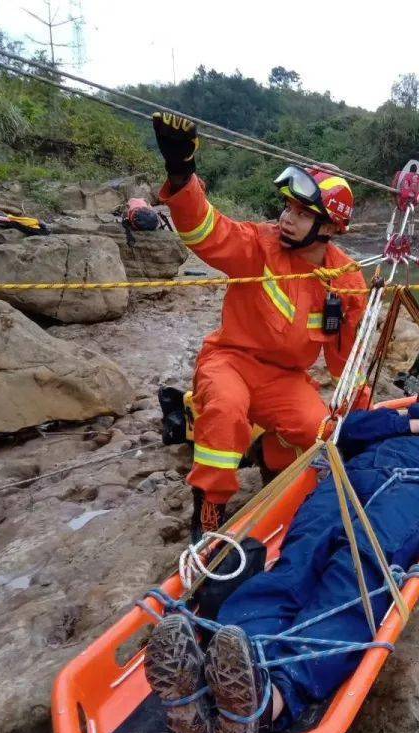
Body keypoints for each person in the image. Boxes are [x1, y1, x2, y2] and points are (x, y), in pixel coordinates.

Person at [144, 374, 419, 733]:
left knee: (358, 571)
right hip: (348, 479)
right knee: (297, 561)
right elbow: (347, 431)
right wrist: (418, 424)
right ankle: (222, 676)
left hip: (415, 486)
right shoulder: (399, 419)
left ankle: (272, 701)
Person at [151, 112, 368, 540]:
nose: (286, 218)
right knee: (225, 409)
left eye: (301, 213)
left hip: (284, 378)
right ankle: (209, 509)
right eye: (287, 207)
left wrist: (361, 424)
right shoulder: (258, 245)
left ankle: (271, 461)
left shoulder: (346, 281)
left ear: (329, 227)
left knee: (318, 430)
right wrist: (181, 173)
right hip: (229, 361)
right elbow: (205, 231)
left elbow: (347, 363)